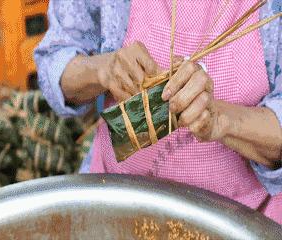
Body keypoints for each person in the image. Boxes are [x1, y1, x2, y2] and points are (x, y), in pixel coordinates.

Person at [35, 0, 282, 224]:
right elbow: (55, 60)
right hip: (113, 201)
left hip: (238, 221)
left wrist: (220, 120)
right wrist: (103, 69)